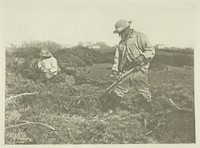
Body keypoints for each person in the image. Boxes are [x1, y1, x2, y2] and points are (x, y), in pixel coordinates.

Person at [101, 20, 155, 112]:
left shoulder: (140, 37)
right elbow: (117, 58)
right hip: (126, 70)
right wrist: (115, 69)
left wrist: (142, 57)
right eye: (119, 33)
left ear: (127, 29)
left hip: (139, 70)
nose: (120, 35)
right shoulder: (121, 43)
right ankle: (111, 110)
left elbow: (151, 51)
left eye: (121, 32)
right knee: (118, 90)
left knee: (143, 91)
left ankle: (150, 111)